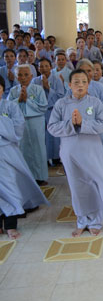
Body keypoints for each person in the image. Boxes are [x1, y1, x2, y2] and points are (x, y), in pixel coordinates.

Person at [48, 69, 103, 236]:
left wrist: (82, 123)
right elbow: (52, 127)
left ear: (88, 84)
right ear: (69, 85)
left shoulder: (95, 103)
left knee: (94, 182)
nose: (80, 85)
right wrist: (71, 124)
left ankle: (96, 220)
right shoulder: (61, 104)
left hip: (92, 149)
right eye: (76, 82)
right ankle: (82, 220)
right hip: (70, 151)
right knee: (76, 185)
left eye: (84, 82)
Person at [0, 76, 49, 239]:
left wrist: (2, 123)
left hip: (7, 152)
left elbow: (17, 129)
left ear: (2, 89)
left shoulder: (11, 106)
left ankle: (10, 225)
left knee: (10, 187)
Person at [9, 65, 49, 185]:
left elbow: (43, 107)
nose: (23, 78)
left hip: (36, 122)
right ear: (16, 77)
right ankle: (26, 176)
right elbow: (8, 107)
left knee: (38, 148)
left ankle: (40, 176)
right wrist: (18, 100)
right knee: (22, 148)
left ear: (31, 76)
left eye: (26, 75)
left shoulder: (38, 89)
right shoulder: (13, 91)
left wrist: (27, 100)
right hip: (19, 123)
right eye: (20, 75)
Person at [31, 58, 65, 166]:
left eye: (46, 66)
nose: (44, 68)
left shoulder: (57, 79)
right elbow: (32, 97)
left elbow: (61, 96)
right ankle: (44, 159)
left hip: (53, 110)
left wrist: (48, 88)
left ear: (51, 67)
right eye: (41, 66)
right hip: (40, 112)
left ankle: (56, 158)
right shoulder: (35, 81)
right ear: (38, 68)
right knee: (42, 136)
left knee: (54, 136)